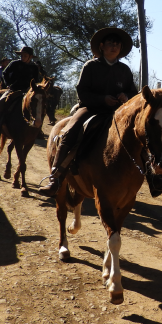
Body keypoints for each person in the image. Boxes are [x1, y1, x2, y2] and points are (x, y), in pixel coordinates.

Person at [37, 28, 138, 197]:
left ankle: (153, 177)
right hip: (90, 109)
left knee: (140, 134)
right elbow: (82, 92)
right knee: (70, 131)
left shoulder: (125, 70)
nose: (114, 47)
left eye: (117, 44)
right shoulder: (91, 66)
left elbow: (133, 93)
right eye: (110, 43)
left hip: (118, 112)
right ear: (101, 46)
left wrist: (126, 96)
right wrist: (102, 99)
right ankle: (55, 179)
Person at [0, 47, 41, 136]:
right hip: (14, 89)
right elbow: (5, 73)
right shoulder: (14, 63)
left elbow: (36, 80)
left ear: (30, 57)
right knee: (1, 102)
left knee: (39, 105)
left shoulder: (34, 67)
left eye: (25, 56)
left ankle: (38, 129)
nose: (22, 57)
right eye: (22, 55)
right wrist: (8, 84)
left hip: (28, 91)